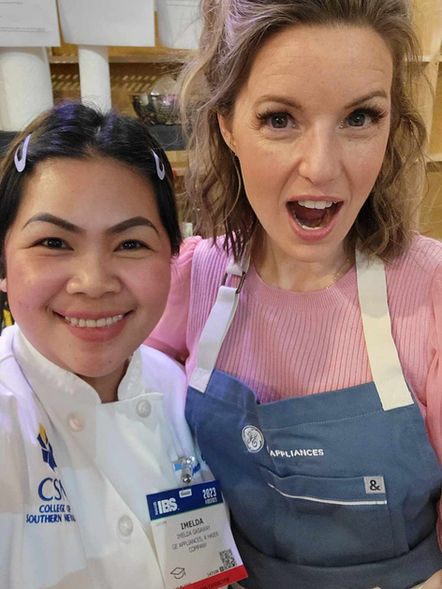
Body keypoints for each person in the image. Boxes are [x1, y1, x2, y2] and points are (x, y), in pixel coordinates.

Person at [147, 1, 442, 588]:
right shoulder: (188, 280)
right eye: (280, 119)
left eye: (360, 117)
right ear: (227, 124)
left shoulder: (430, 292)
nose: (322, 168)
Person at [0, 102, 212, 589]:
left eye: (131, 244)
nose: (93, 283)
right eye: (54, 243)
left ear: (172, 257)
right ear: (3, 263)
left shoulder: (178, 388)